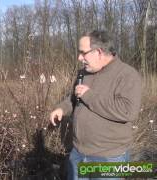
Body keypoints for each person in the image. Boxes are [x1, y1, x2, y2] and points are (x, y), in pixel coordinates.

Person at [49, 30, 142, 180]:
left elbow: (128, 111)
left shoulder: (127, 75)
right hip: (78, 153)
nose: (79, 58)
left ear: (99, 52)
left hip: (108, 158)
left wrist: (89, 95)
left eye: (83, 53)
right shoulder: (84, 73)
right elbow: (74, 97)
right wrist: (62, 108)